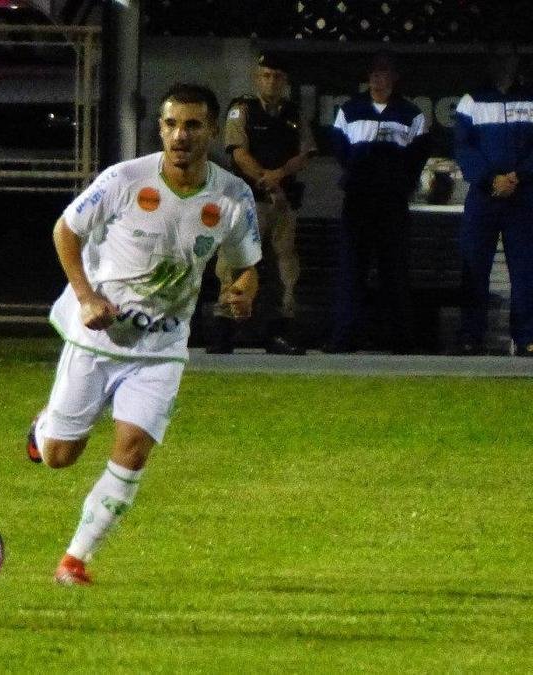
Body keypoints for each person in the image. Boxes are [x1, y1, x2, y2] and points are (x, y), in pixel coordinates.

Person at [24, 83, 262, 585]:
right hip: (98, 340)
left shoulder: (234, 196)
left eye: (193, 125)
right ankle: (43, 428)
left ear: (212, 131)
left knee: (133, 449)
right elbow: (65, 230)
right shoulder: (124, 180)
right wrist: (87, 297)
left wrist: (242, 291)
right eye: (172, 124)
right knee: (59, 457)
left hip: (162, 349)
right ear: (160, 128)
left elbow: (244, 267)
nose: (181, 135)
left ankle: (75, 560)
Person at [209, 51, 314, 356]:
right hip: (247, 201)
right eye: (266, 75)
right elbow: (237, 152)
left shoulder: (294, 113)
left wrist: (279, 176)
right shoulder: (242, 110)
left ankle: (279, 331)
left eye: (278, 76)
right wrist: (266, 180)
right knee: (233, 263)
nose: (272, 82)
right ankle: (225, 331)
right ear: (257, 78)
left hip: (283, 203)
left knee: (285, 267)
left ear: (285, 81)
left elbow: (306, 153)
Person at [326, 51, 430, 354]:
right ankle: (345, 337)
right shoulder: (349, 110)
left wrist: (395, 180)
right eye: (373, 73)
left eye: (384, 73)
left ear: (394, 77)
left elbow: (417, 155)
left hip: (393, 203)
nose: (378, 78)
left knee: (394, 271)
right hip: (358, 201)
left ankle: (399, 339)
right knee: (351, 270)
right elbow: (341, 151)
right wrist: (363, 174)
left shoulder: (411, 113)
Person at [454, 48, 533, 356]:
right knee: (474, 266)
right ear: (491, 63)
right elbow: (463, 147)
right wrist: (491, 179)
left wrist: (519, 176)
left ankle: (526, 337)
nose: (505, 65)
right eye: (500, 59)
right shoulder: (471, 101)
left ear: (517, 64)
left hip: (523, 194)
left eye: (510, 59)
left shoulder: (529, 98)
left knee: (526, 268)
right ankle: (471, 336)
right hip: (484, 195)